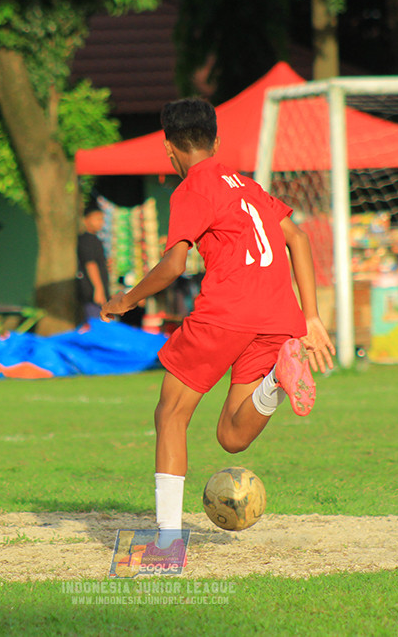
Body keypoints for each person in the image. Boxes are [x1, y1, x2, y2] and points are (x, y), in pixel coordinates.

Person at [100, 98, 336, 558]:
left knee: (170, 415)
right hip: (278, 319)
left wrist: (126, 300)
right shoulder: (248, 186)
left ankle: (167, 545)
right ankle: (275, 382)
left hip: (226, 314)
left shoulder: (192, 188)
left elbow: (173, 265)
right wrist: (311, 317)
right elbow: (299, 238)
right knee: (232, 436)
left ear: (168, 148)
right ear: (216, 142)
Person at [76, 202, 110, 323]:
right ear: (86, 220)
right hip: (91, 292)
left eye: (101, 219)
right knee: (96, 323)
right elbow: (90, 264)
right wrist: (98, 288)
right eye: (96, 219)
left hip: (98, 291)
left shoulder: (96, 239)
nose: (100, 222)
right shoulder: (86, 240)